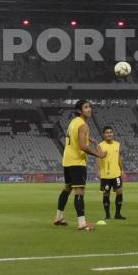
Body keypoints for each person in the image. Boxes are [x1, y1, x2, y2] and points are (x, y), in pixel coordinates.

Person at [54, 99, 104, 231]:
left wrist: (89, 138)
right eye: (86, 107)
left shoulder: (74, 122)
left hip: (67, 160)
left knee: (67, 188)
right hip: (77, 162)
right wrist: (99, 154)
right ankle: (82, 223)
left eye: (89, 107)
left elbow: (76, 137)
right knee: (79, 192)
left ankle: (58, 217)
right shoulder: (83, 125)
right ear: (79, 110)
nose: (89, 109)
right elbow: (82, 146)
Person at [97, 126, 125, 220]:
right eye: (107, 132)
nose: (109, 134)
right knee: (106, 194)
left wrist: (122, 170)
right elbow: (98, 158)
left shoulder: (118, 144)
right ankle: (107, 215)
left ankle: (118, 214)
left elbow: (119, 158)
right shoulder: (101, 145)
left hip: (116, 174)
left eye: (110, 132)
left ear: (113, 134)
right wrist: (98, 170)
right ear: (104, 135)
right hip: (105, 175)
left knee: (119, 192)